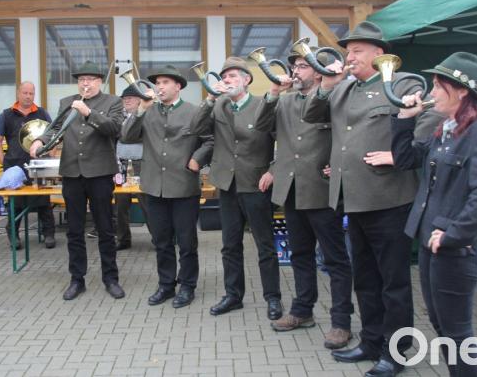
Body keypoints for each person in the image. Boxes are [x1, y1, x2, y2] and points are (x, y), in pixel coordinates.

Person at [303, 21, 443, 377]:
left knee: (393, 281)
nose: (350, 56)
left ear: (380, 54)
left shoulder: (403, 82)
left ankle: (398, 351)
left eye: (358, 50)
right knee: (364, 277)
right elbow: (311, 115)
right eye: (348, 51)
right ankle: (371, 340)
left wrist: (404, 154)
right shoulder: (344, 88)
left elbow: (432, 114)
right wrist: (327, 83)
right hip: (353, 197)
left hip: (388, 196)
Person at [391, 52, 477, 377]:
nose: (431, 94)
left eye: (438, 86)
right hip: (431, 243)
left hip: (456, 248)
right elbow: (404, 159)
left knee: (457, 334)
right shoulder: (446, 130)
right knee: (442, 326)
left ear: (461, 90)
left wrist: (454, 233)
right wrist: (403, 118)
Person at [255, 49, 355, 349]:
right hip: (292, 188)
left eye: (303, 66)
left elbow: (348, 136)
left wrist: (338, 164)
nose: (296, 71)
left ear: (318, 70)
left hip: (322, 189)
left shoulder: (339, 96)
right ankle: (302, 311)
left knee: (335, 259)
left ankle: (341, 322)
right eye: (295, 66)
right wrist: (273, 91)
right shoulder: (285, 100)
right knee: (300, 254)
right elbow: (260, 127)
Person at [188, 56, 282, 321]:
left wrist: (273, 170)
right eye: (224, 77)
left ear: (246, 80)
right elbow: (194, 128)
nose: (226, 81)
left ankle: (273, 297)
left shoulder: (263, 105)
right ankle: (233, 295)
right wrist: (208, 99)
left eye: (232, 77)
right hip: (227, 185)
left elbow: (284, 141)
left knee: (264, 245)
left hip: (255, 184)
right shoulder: (218, 105)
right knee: (230, 245)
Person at [28, 61, 125, 301]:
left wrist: (88, 113)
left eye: (91, 79)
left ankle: (110, 279)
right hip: (72, 172)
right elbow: (55, 129)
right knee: (74, 230)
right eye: (82, 79)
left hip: (101, 173)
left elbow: (115, 129)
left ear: (100, 82)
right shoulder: (66, 102)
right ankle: (77, 279)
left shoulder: (113, 102)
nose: (85, 83)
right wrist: (41, 140)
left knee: (105, 228)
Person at [121, 65, 213, 308]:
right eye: (157, 83)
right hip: (154, 187)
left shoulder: (194, 112)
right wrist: (140, 109)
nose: (159, 87)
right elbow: (127, 136)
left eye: (164, 82)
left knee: (186, 242)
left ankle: (188, 286)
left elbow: (210, 141)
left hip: (183, 186)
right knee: (161, 241)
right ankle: (166, 285)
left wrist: (197, 160)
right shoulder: (148, 111)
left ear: (178, 86)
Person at [0, 81, 56, 250]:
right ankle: (13, 235)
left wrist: (52, 156)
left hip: (38, 163)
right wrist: (3, 161)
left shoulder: (42, 113)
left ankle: (49, 234)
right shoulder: (6, 115)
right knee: (16, 202)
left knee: (43, 199)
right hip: (14, 165)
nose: (28, 96)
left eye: (31, 93)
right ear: (18, 93)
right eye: (25, 93)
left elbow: (53, 134)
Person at [113, 84, 152, 250]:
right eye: (124, 98)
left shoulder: (146, 116)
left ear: (140, 101)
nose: (127, 100)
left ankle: (159, 238)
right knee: (120, 205)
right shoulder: (117, 117)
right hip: (120, 163)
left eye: (131, 97)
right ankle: (122, 239)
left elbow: (131, 136)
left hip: (141, 163)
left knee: (147, 204)